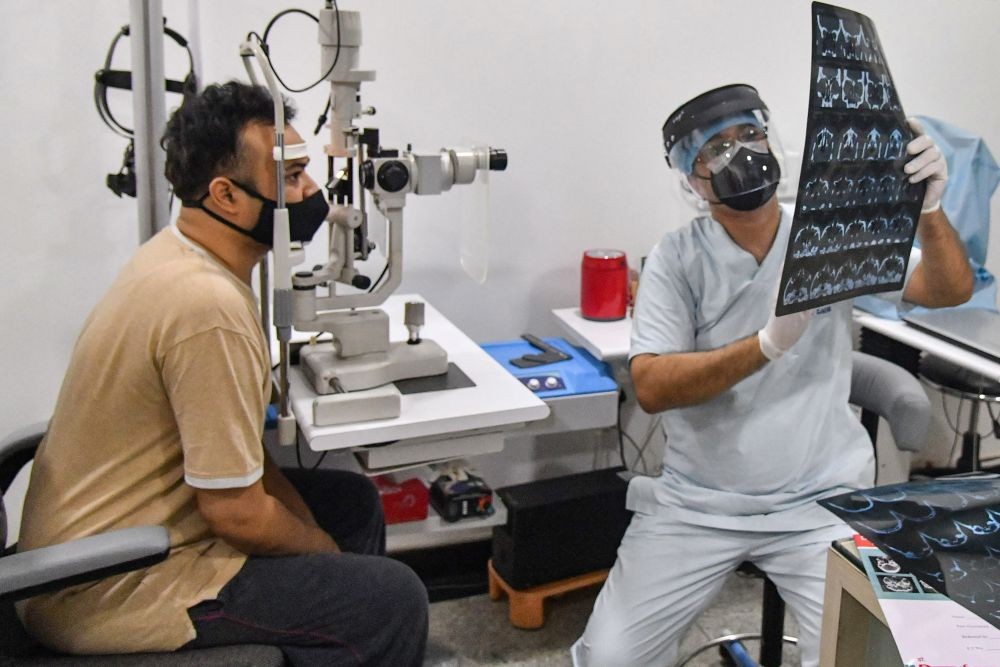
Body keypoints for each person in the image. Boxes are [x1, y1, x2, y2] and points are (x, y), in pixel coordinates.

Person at [16, 81, 428, 666]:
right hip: (109, 587)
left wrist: (323, 548)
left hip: (131, 536)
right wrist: (325, 555)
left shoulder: (177, 253)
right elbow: (236, 512)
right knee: (391, 599)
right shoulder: (207, 308)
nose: (310, 191)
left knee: (352, 503)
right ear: (226, 196)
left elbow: (245, 466)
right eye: (290, 177)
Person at [572, 83, 973, 666]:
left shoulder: (826, 234)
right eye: (716, 149)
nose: (741, 154)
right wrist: (764, 346)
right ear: (692, 179)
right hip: (698, 505)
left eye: (750, 134)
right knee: (608, 659)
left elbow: (947, 289)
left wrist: (930, 211)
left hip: (825, 499)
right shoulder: (676, 259)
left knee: (873, 654)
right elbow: (653, 387)